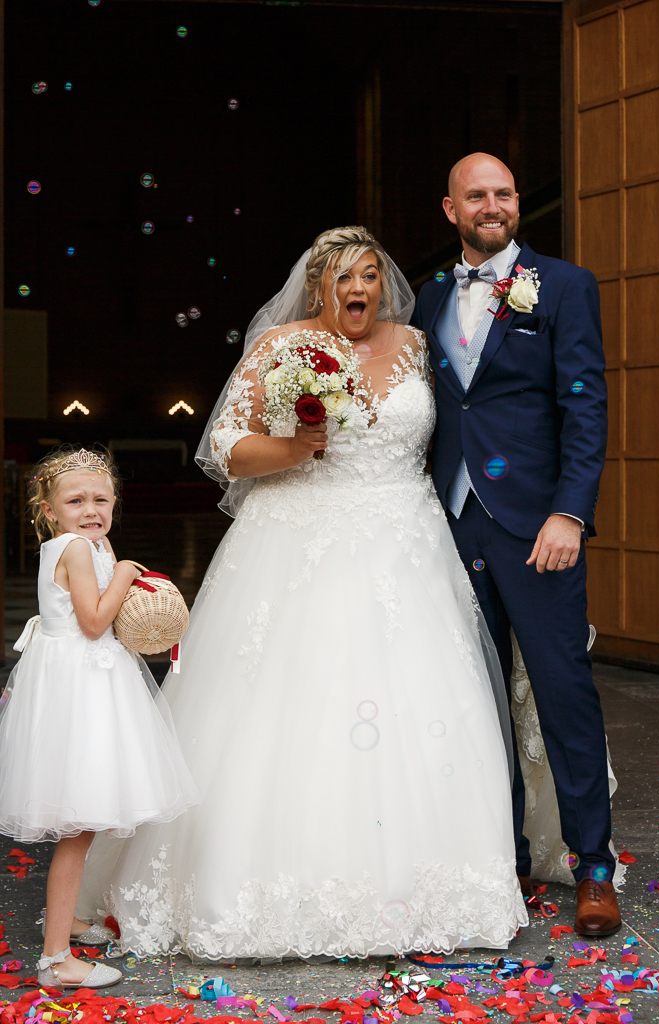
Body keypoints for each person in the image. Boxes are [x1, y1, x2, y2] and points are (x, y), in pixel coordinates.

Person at [77, 226, 527, 960]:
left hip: (404, 545)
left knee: (423, 707)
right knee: (287, 704)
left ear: (383, 285)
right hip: (297, 535)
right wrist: (293, 447)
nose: (359, 289)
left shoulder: (416, 346)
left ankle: (433, 890)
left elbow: (470, 427)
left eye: (370, 276)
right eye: (344, 277)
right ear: (319, 284)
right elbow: (224, 447)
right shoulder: (280, 347)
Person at [413, 154, 619, 937]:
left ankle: (591, 867)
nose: (493, 205)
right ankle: (499, 859)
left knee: (563, 690)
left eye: (503, 193)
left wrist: (570, 514)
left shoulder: (563, 285)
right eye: (476, 195)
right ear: (450, 208)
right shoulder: (428, 296)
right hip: (446, 524)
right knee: (474, 701)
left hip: (538, 529)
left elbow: (585, 407)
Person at [0, 448, 198, 989]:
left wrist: (114, 564)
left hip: (82, 680)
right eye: (75, 500)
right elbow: (92, 622)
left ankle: (72, 922)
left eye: (101, 499)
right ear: (48, 508)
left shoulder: (78, 546)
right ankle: (55, 959)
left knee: (84, 817)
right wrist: (126, 575)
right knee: (80, 822)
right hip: (83, 688)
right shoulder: (81, 551)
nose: (91, 509)